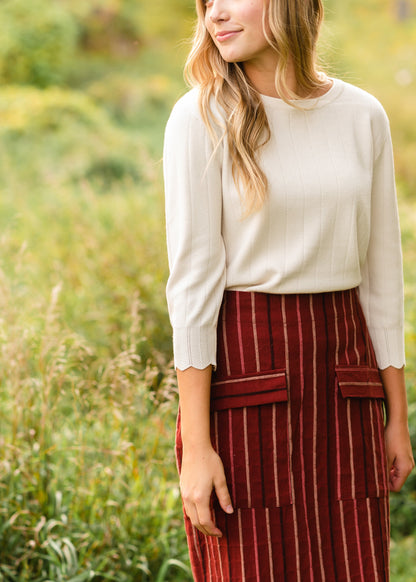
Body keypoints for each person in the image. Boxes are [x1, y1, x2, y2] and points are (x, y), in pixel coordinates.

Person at [163, 0, 415, 580]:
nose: (215, 14)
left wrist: (396, 416)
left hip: (344, 378)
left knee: (354, 564)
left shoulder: (362, 115)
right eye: (207, 3)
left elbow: (382, 277)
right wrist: (196, 448)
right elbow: (193, 288)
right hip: (243, 377)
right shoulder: (199, 117)